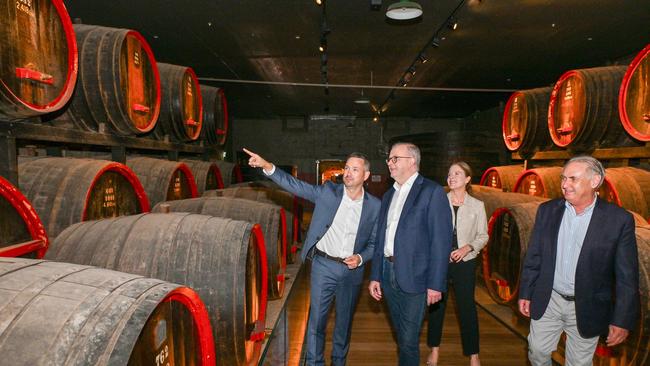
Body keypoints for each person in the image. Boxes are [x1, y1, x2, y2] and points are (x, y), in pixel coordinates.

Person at [243, 148, 380, 366]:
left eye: (355, 169)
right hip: (323, 266)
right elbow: (295, 186)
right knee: (316, 322)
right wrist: (267, 166)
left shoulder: (375, 206)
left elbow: (375, 243)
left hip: (351, 272)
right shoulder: (328, 192)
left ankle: (338, 362)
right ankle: (315, 363)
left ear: (365, 176)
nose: (348, 172)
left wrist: (361, 258)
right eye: (346, 168)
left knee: (343, 325)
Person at [518, 155, 639, 366]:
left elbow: (627, 277)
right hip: (550, 298)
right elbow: (534, 255)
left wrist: (622, 320)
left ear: (595, 181)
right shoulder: (547, 211)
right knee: (537, 352)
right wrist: (526, 292)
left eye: (573, 179)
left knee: (579, 363)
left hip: (587, 303)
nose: (565, 185)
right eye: (563, 178)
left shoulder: (618, 220)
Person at [368, 142, 453, 365]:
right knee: (402, 335)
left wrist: (436, 283)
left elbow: (441, 242)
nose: (389, 163)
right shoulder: (389, 195)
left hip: (417, 277)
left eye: (395, 158)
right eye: (389, 159)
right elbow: (381, 239)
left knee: (407, 339)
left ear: (412, 161)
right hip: (388, 273)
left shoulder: (432, 192)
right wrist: (376, 274)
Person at [426, 162, 488, 366]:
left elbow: (483, 236)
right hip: (440, 263)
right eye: (450, 173)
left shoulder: (477, 205)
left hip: (465, 263)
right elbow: (429, 232)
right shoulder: (438, 202)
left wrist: (468, 247)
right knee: (437, 307)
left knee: (467, 308)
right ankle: (434, 350)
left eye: (457, 173)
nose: (451, 177)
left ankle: (474, 354)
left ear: (468, 179)